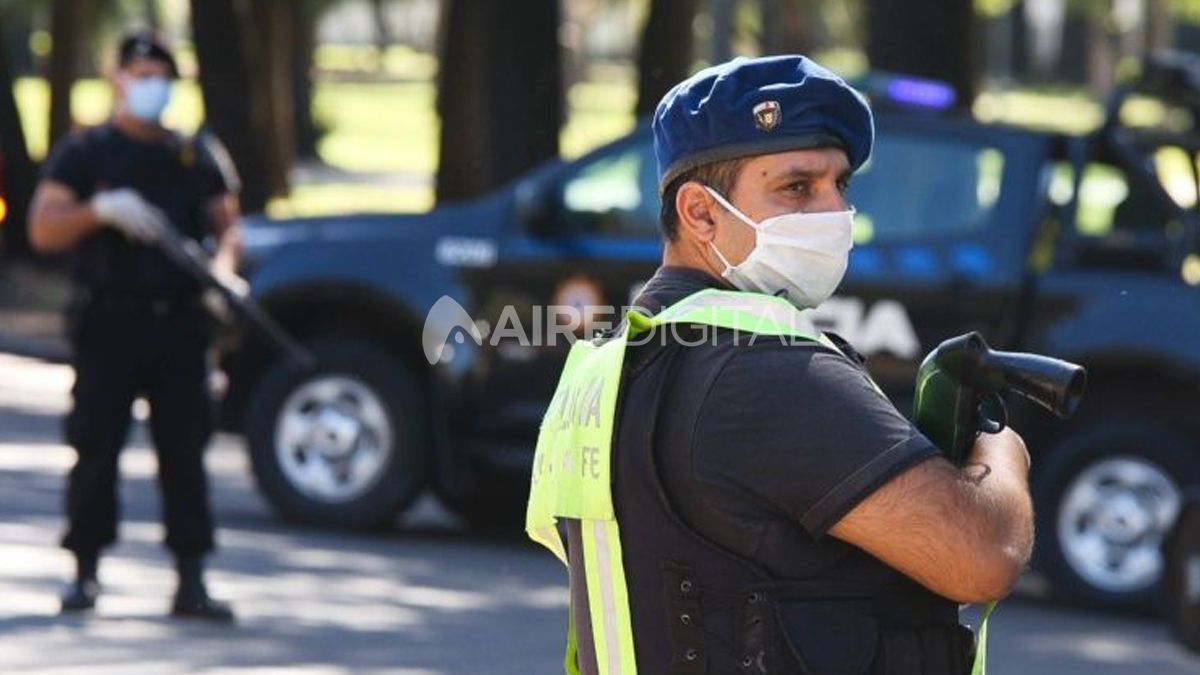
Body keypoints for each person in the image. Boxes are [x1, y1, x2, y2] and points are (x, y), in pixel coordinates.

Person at [525, 55, 1034, 674]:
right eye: (797, 187)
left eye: (839, 185)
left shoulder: (614, 361)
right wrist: (998, 448)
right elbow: (981, 556)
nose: (833, 213)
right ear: (701, 213)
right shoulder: (762, 371)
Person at [27, 32, 239, 621]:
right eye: (140, 74)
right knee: (96, 448)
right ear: (118, 79)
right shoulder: (88, 152)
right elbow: (43, 227)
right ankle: (85, 571)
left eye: (160, 75)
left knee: (186, 455)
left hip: (181, 323)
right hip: (109, 322)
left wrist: (222, 275)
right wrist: (98, 211)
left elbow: (228, 225)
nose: (152, 86)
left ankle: (191, 579)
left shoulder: (195, 153)